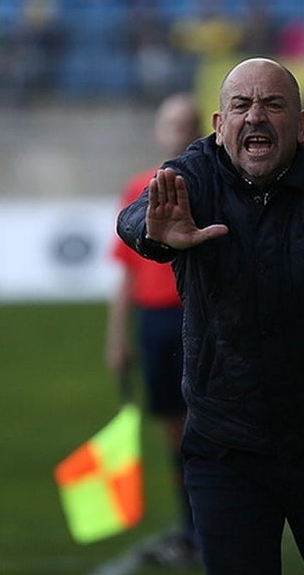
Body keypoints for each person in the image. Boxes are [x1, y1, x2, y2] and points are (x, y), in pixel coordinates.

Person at [116, 57, 304, 574]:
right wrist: (155, 232)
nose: (255, 117)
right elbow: (137, 214)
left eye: (273, 104)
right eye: (241, 105)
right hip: (226, 449)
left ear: (301, 123)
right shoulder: (194, 173)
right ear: (219, 125)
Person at [106, 93, 203, 567]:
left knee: (209, 425)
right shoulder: (138, 188)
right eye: (171, 123)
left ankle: (217, 524)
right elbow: (126, 268)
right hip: (155, 322)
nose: (178, 132)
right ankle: (191, 530)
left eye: (187, 124)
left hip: (200, 318)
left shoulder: (209, 186)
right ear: (158, 131)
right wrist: (117, 336)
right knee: (175, 431)